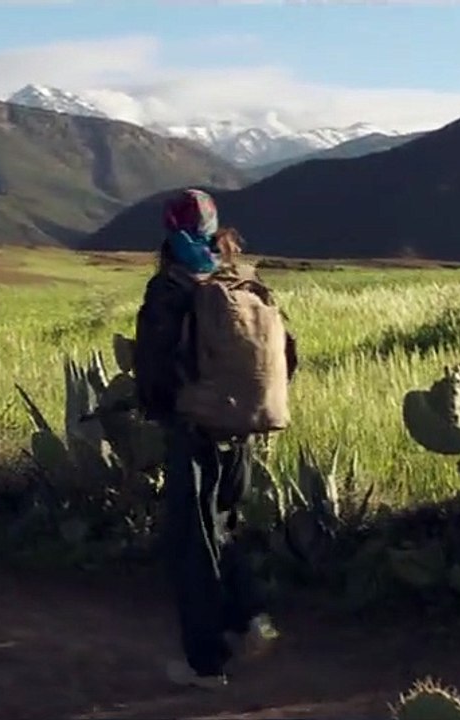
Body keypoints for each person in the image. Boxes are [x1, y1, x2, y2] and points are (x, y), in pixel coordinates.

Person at [133, 188, 300, 689]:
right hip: (241, 428)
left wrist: (161, 411)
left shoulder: (171, 288)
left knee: (192, 542)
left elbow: (154, 370)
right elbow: (288, 355)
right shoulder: (242, 279)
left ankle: (205, 664)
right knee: (224, 527)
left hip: (195, 430)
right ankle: (248, 617)